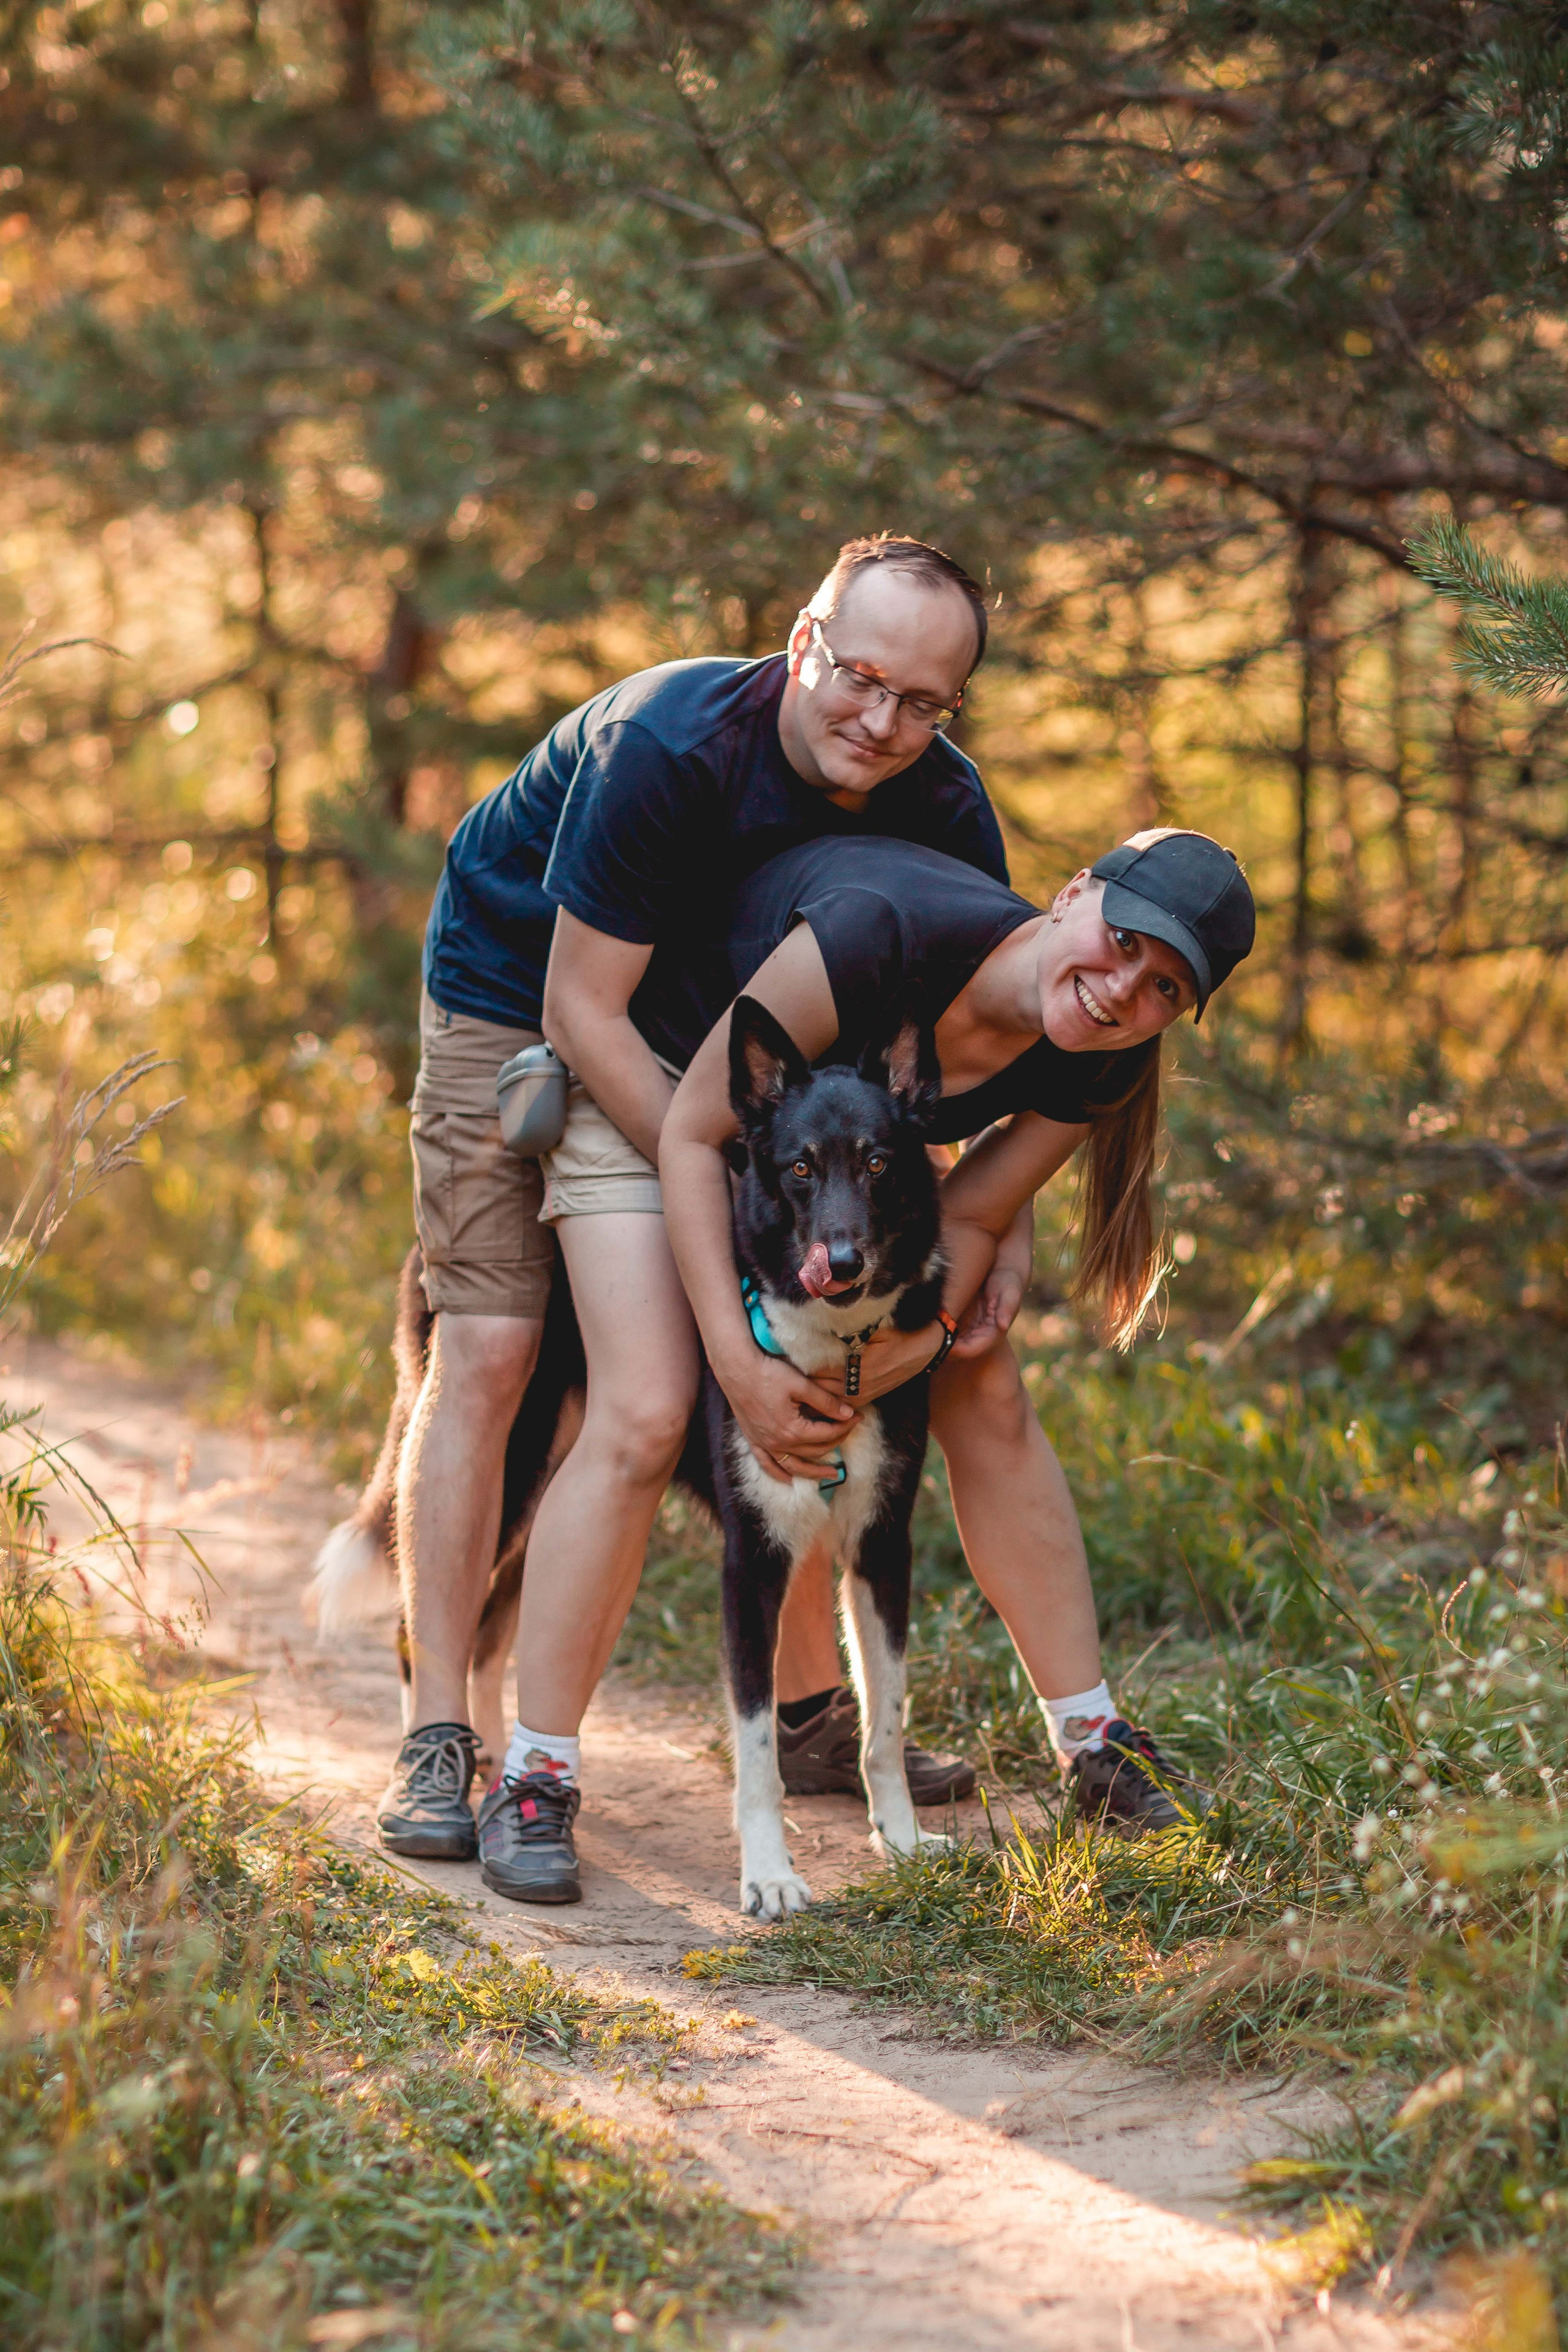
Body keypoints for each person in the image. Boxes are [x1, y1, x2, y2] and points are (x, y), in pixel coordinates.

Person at [473, 811, 1254, 1902]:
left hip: (829, 1175)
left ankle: (1092, 1742)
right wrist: (739, 1357)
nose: (1126, 991)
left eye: (1165, 986)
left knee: (985, 1381)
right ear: (1074, 893)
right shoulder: (879, 934)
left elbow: (965, 1215)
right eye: (1122, 943)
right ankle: (536, 1772)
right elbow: (697, 1134)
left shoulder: (1100, 1055)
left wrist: (909, 1350)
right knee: (648, 1405)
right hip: (663, 1086)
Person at [377, 533, 1012, 1869]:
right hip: (528, 992)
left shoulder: (946, 806)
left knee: (799, 1358)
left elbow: (951, 1061)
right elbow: (581, 1009)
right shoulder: (669, 746)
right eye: (861, 678)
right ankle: (440, 1730)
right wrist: (737, 1183)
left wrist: (982, 1221)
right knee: (495, 1343)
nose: (882, 722)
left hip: (734, 1050)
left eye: (923, 702)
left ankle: (811, 1716)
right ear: (803, 641)